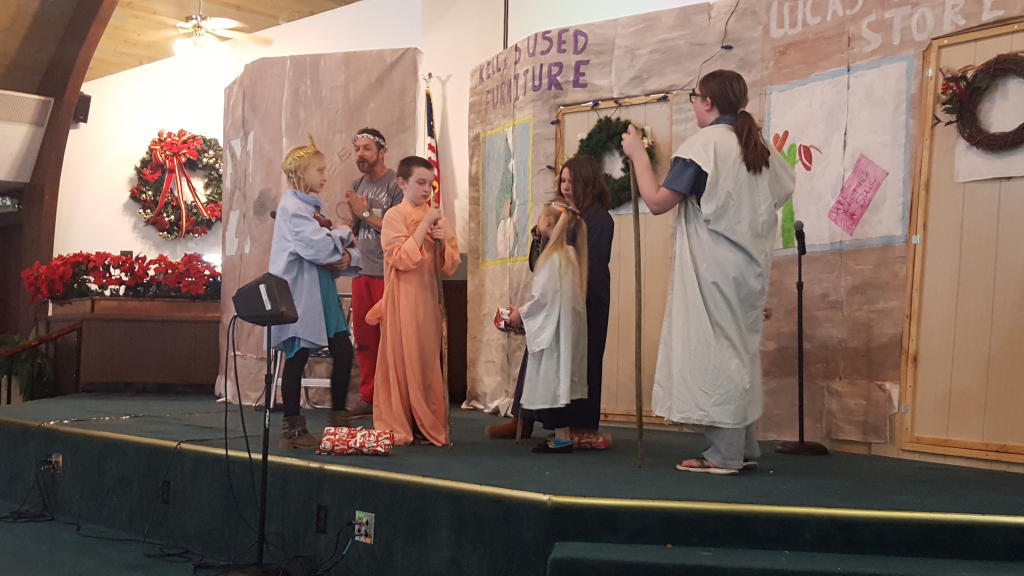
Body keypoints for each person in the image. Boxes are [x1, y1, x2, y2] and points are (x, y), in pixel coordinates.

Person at [621, 69, 795, 474]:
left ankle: (725, 453)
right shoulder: (759, 147)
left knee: (717, 355)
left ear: (708, 102)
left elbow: (658, 202)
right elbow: (780, 191)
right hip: (749, 268)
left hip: (714, 266)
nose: (695, 105)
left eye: (695, 98)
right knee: (740, 353)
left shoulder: (705, 146)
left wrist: (638, 156)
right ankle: (744, 445)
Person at [485, 156, 614, 449]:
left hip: (582, 301)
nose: (566, 187)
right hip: (556, 301)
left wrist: (529, 311)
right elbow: (538, 264)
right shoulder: (560, 213)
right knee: (540, 353)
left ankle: (579, 427)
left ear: (586, 182)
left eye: (572, 181)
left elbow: (589, 265)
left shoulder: (598, 219)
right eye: (563, 180)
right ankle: (524, 417)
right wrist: (538, 235)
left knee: (578, 364)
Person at [269, 137, 362, 450]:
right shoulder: (293, 209)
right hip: (299, 294)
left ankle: (339, 421)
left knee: (343, 350)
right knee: (297, 356)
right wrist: (344, 233)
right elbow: (318, 248)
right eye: (319, 170)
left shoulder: (307, 208)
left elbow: (326, 251)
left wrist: (345, 256)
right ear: (301, 173)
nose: (325, 175)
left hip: (320, 289)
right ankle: (292, 429)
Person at [368, 156, 461, 446]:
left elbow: (449, 265)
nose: (425, 190)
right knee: (401, 357)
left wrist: (443, 242)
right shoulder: (394, 216)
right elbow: (399, 258)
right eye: (420, 183)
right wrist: (423, 228)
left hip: (427, 297)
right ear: (402, 183)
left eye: (429, 184)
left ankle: (427, 420)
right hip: (402, 297)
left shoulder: (436, 217)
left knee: (425, 359)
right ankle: (403, 420)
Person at [507, 203, 589, 453]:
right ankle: (563, 435)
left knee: (552, 384)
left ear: (550, 223)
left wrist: (520, 313)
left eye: (541, 217)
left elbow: (543, 298)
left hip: (553, 333)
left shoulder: (553, 258)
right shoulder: (571, 256)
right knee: (560, 384)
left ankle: (562, 438)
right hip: (564, 330)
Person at [344, 128, 403, 419]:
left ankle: (394, 398)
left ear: (382, 151)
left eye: (366, 149)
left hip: (387, 273)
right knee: (366, 340)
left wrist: (365, 212)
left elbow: (396, 228)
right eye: (357, 149)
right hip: (361, 272)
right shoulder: (357, 184)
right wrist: (353, 216)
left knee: (391, 340)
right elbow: (356, 229)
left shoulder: (395, 184)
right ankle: (368, 397)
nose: (360, 155)